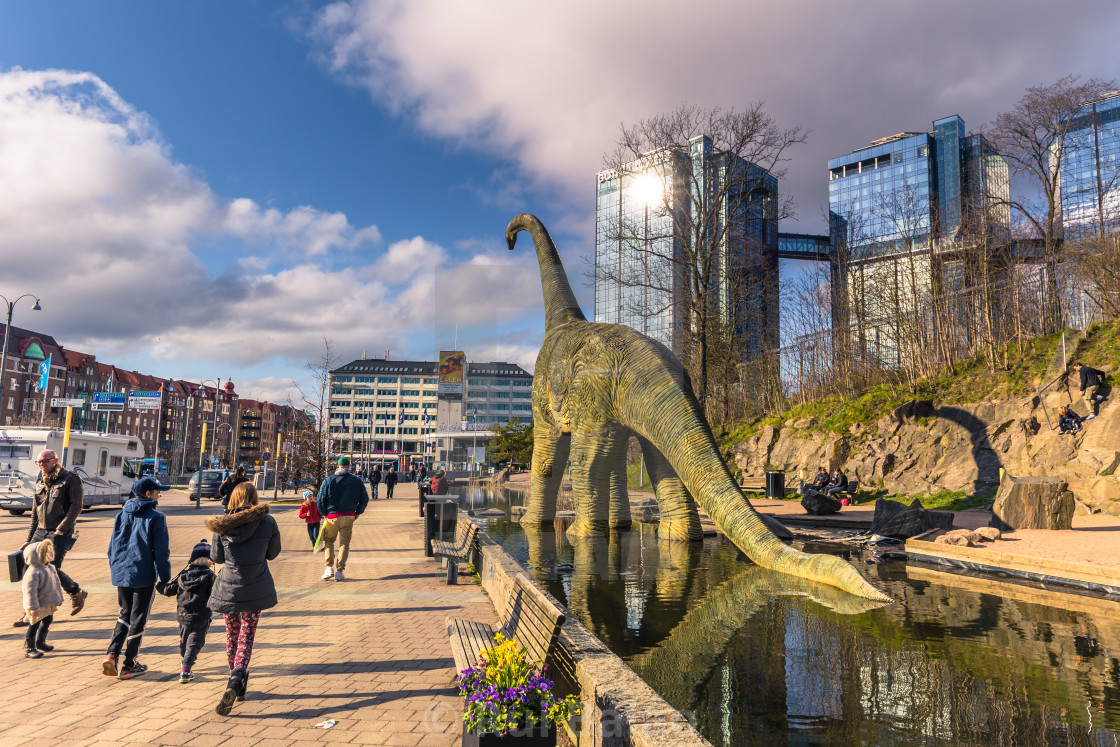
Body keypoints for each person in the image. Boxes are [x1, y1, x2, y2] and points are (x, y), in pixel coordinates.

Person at [205, 482, 281, 716]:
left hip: (228, 587)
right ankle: (238, 678)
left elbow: (216, 558)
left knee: (232, 634)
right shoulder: (267, 521)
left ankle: (235, 678)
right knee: (247, 635)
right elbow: (273, 553)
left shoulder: (222, 525)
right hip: (255, 585)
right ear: (254, 497)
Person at [103, 476, 172, 680]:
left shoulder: (120, 515)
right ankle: (129, 663)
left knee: (124, 613)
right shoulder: (156, 518)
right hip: (143, 574)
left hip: (121, 573)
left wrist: (115, 570)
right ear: (148, 494)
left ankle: (112, 654)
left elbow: (111, 548)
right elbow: (161, 552)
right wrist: (165, 578)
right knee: (138, 618)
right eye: (158, 492)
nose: (160, 495)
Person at [14, 449, 88, 628]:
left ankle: (76, 593)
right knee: (28, 570)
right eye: (39, 462)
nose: (41, 465)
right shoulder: (40, 481)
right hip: (40, 531)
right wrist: (29, 538)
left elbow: (76, 506)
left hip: (58, 532)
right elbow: (35, 512)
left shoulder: (71, 479)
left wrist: (62, 529)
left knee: (51, 568)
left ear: (55, 460)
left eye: (44, 461)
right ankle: (31, 611)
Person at [158, 540, 217, 684]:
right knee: (195, 641)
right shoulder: (210, 576)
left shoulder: (183, 576)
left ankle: (185, 661)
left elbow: (168, 590)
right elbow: (216, 594)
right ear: (210, 560)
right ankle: (186, 669)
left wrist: (159, 585)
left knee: (184, 641)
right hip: (201, 616)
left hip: (183, 615)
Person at [316, 456, 369, 581]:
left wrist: (324, 513)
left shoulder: (329, 480)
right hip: (349, 516)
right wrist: (357, 513)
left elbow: (320, 499)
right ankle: (340, 571)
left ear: (338, 466)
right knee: (344, 543)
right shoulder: (356, 481)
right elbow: (364, 499)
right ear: (349, 467)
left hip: (332, 516)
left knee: (329, 541)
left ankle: (329, 567)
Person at [21, 539, 64, 659]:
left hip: (47, 604)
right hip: (36, 605)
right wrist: (33, 607)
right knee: (34, 624)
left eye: (51, 551)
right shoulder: (33, 572)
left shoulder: (50, 567)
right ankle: (30, 648)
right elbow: (30, 592)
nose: (51, 554)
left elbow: (56, 584)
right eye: (47, 552)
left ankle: (40, 642)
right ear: (36, 556)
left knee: (48, 620)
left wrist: (58, 599)